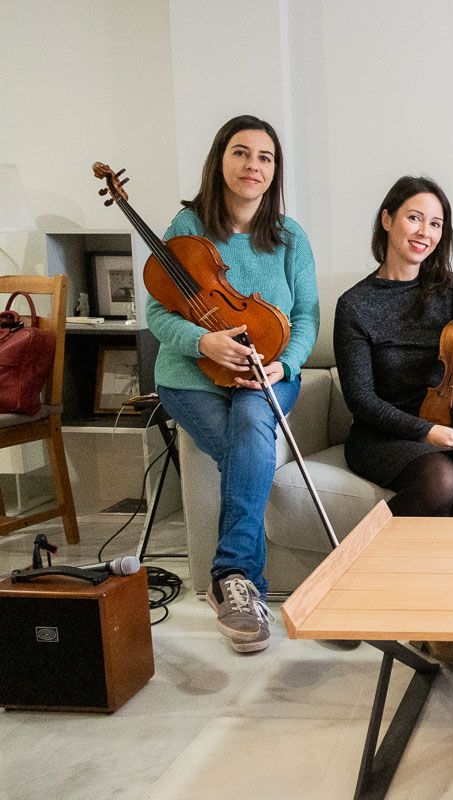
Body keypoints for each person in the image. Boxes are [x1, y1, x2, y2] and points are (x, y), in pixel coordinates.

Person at [148, 115, 318, 654]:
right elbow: (158, 311)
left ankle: (230, 578)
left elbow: (307, 315)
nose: (253, 165)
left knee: (250, 423)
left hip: (268, 372)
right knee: (249, 453)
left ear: (275, 171)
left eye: (265, 157)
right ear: (220, 159)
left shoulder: (290, 237)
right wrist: (204, 342)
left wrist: (286, 364)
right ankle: (243, 584)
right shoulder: (186, 227)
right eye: (241, 152)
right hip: (191, 376)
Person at [334, 176, 453, 670]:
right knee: (440, 478)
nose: (424, 232)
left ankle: (444, 614)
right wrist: (424, 432)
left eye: (435, 224)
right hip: (382, 433)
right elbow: (360, 399)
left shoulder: (451, 289)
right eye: (414, 218)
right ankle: (352, 575)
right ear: (388, 220)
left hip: (447, 417)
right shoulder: (355, 304)